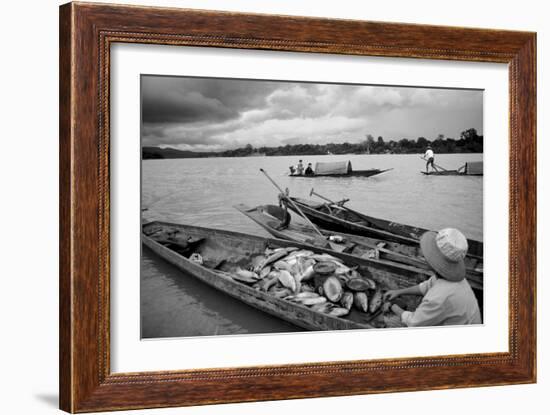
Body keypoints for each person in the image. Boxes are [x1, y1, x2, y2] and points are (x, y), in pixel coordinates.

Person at [383, 228, 481, 327]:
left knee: (390, 321)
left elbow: (413, 322)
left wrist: (393, 306)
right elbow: (426, 286)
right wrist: (399, 292)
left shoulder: (438, 297)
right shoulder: (447, 278)